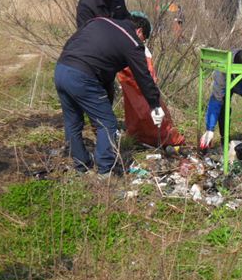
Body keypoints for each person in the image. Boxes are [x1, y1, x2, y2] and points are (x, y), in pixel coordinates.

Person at [55, 14, 164, 176]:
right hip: (83, 76)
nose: (142, 43)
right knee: (107, 123)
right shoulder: (132, 40)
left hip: (61, 69)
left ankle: (81, 166)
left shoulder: (100, 21)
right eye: (144, 39)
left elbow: (102, 69)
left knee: (73, 122)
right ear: (139, 31)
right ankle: (105, 170)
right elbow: (143, 76)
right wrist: (155, 104)